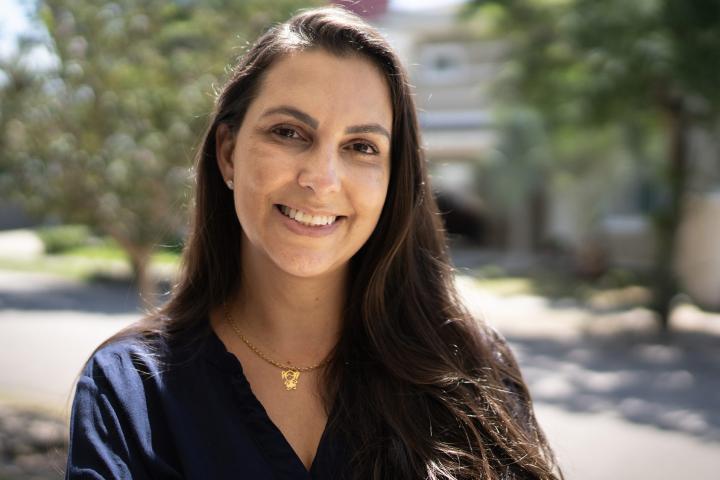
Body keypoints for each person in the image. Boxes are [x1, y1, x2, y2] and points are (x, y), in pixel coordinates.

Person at [65, 6, 562, 480]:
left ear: (394, 181)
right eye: (289, 132)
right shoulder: (130, 390)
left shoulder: (472, 367)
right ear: (229, 154)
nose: (321, 179)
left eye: (361, 147)